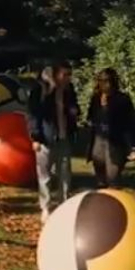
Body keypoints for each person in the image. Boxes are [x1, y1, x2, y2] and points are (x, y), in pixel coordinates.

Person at [26, 61, 81, 223]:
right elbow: (33, 115)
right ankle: (46, 207)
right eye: (65, 75)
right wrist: (35, 137)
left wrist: (74, 112)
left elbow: (74, 109)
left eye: (69, 75)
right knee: (45, 175)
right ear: (56, 75)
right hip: (46, 139)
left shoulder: (69, 91)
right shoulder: (41, 91)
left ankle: (63, 205)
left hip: (64, 138)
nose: (68, 78)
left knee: (65, 174)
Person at [87, 68, 135, 188]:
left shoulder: (122, 99)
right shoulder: (95, 98)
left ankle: (114, 199)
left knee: (113, 176)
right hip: (98, 140)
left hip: (115, 142)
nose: (106, 84)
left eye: (108, 81)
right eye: (102, 81)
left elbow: (129, 124)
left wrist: (132, 147)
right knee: (100, 175)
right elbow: (91, 117)